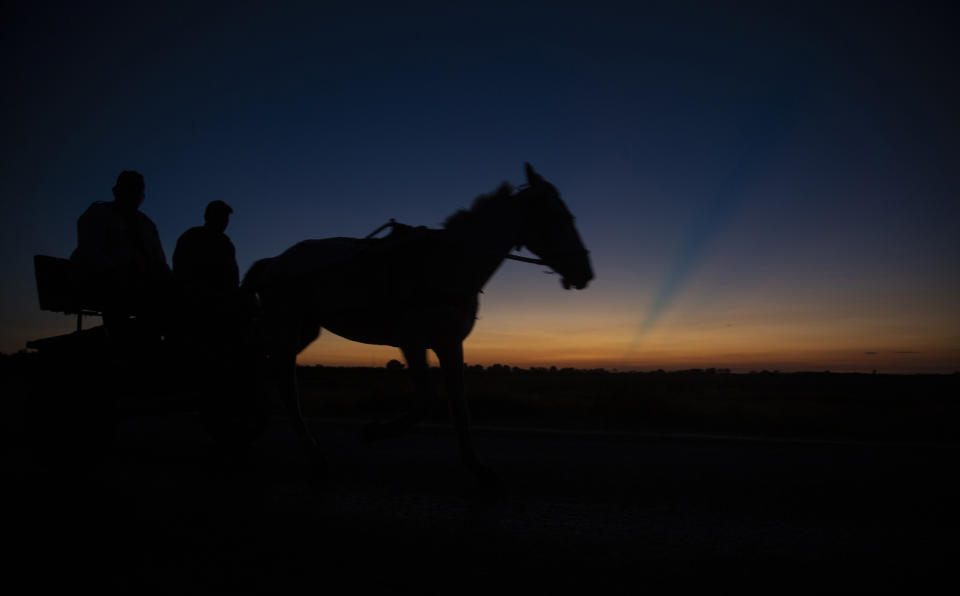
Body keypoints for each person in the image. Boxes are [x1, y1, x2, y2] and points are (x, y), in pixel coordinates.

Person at [70, 170, 171, 336]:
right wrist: (119, 271)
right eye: (132, 189)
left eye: (139, 190)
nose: (137, 194)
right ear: (117, 191)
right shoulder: (99, 213)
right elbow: (90, 252)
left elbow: (159, 262)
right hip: (109, 285)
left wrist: (172, 282)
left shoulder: (146, 224)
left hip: (142, 287)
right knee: (126, 298)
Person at [172, 200, 243, 345]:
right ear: (208, 216)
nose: (224, 222)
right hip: (196, 306)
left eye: (226, 218)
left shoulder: (226, 244)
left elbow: (232, 276)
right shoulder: (192, 237)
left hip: (223, 307)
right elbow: (181, 268)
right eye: (221, 216)